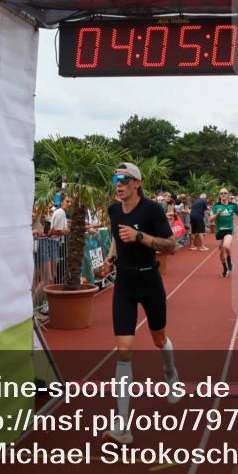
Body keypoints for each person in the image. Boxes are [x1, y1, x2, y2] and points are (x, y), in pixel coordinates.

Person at [99, 162, 179, 445]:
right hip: (124, 285)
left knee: (159, 339)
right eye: (115, 178)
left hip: (150, 283)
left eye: (124, 179)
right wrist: (111, 256)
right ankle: (122, 426)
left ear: (137, 183)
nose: (118, 183)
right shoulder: (113, 210)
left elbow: (171, 245)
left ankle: (170, 373)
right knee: (124, 349)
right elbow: (115, 238)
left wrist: (140, 237)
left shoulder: (153, 211)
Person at [212, 188, 238, 278]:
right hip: (219, 230)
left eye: (225, 193)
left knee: (226, 246)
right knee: (221, 253)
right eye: (221, 193)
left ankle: (229, 260)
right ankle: (225, 269)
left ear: (228, 195)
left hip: (229, 229)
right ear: (219, 195)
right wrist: (217, 214)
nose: (223, 194)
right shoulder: (216, 206)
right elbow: (210, 219)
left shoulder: (233, 205)